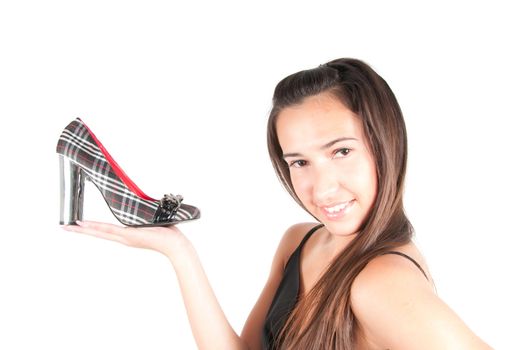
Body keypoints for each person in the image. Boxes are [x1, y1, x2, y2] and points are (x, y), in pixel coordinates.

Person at [63, 58, 491, 349]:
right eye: (300, 162)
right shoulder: (300, 241)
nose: (322, 189)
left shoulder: (380, 282)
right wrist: (179, 252)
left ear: (386, 144)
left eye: (341, 151)